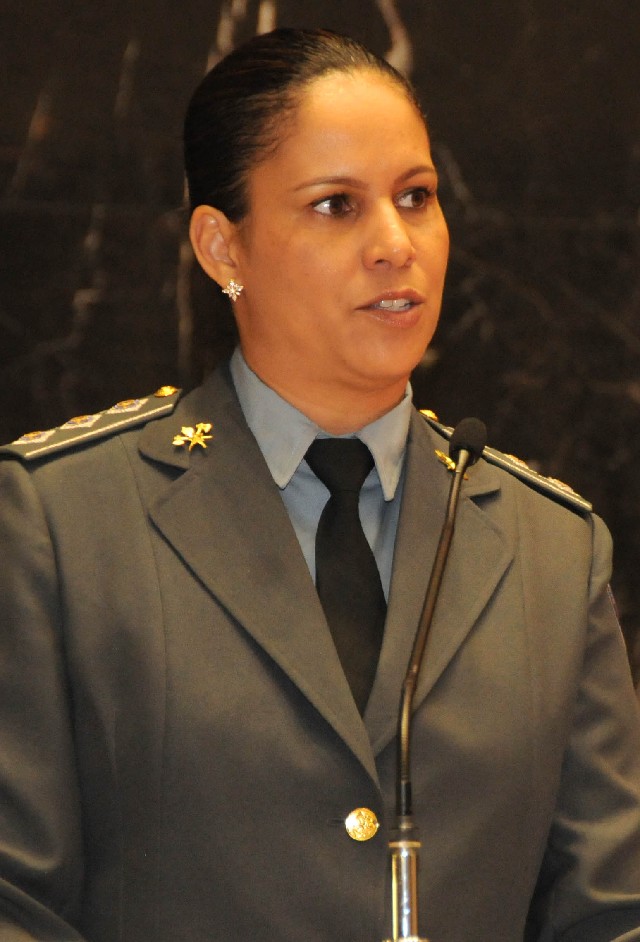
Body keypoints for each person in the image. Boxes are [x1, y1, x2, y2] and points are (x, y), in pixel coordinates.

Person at [1, 27, 640, 942]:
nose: (395, 243)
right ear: (222, 248)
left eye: (416, 197)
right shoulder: (61, 522)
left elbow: (611, 912)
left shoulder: (552, 549)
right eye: (337, 205)